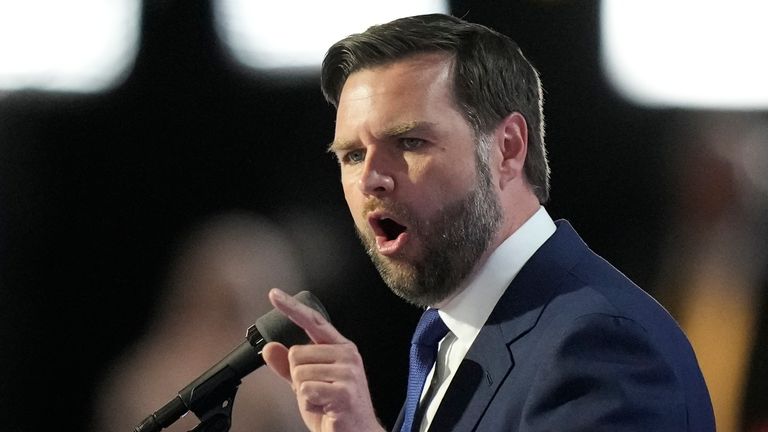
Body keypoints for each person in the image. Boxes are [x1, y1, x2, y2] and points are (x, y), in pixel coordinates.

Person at [262, 13, 715, 432]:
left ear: (508, 148)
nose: (371, 180)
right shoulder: (443, 335)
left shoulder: (601, 345)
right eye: (353, 155)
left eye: (410, 142)